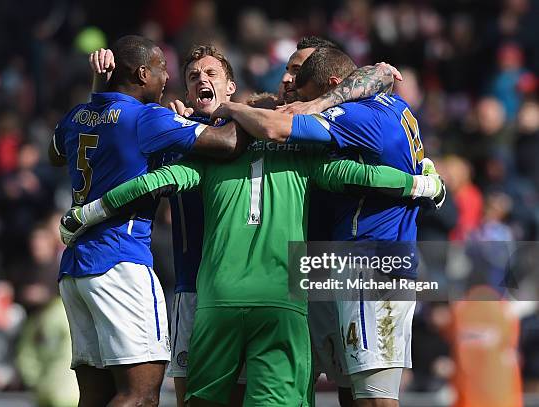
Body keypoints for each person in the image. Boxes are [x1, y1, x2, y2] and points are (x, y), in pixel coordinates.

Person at [88, 39, 404, 407]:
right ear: (187, 90)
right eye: (192, 76)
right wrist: (418, 181)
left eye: (210, 73)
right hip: (236, 293)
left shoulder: (275, 137)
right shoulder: (188, 134)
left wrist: (93, 211)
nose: (201, 79)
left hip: (238, 292)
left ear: (231, 88)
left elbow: (153, 178)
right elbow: (352, 170)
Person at [210, 46, 443, 406]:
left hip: (371, 262)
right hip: (347, 263)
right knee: (350, 388)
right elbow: (378, 75)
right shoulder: (392, 105)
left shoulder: (354, 116)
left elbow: (274, 128)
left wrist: (230, 108)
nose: (296, 91)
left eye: (303, 84)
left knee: (374, 397)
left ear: (332, 83)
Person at [50, 35, 249, 407]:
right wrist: (255, 109)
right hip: (120, 263)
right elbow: (227, 143)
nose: (165, 80)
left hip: (75, 271)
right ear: (143, 73)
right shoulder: (148, 118)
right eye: (163, 71)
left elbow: (56, 152)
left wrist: (99, 88)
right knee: (139, 395)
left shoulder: (77, 115)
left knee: (95, 396)